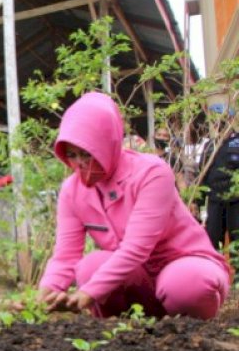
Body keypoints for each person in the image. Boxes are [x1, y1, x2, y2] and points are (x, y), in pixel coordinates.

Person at [37, 92, 230, 319]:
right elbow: (66, 256)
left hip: (182, 262)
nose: (80, 163)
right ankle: (123, 332)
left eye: (87, 154)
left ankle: (190, 327)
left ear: (106, 143)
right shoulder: (72, 191)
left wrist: (87, 294)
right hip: (136, 277)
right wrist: (43, 299)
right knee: (90, 267)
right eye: (72, 155)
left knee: (187, 284)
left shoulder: (151, 173)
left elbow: (136, 248)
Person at [200, 128, 239, 252]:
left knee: (236, 238)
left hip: (235, 198)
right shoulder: (210, 144)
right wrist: (199, 199)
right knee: (213, 236)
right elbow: (203, 172)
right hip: (215, 197)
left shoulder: (237, 141)